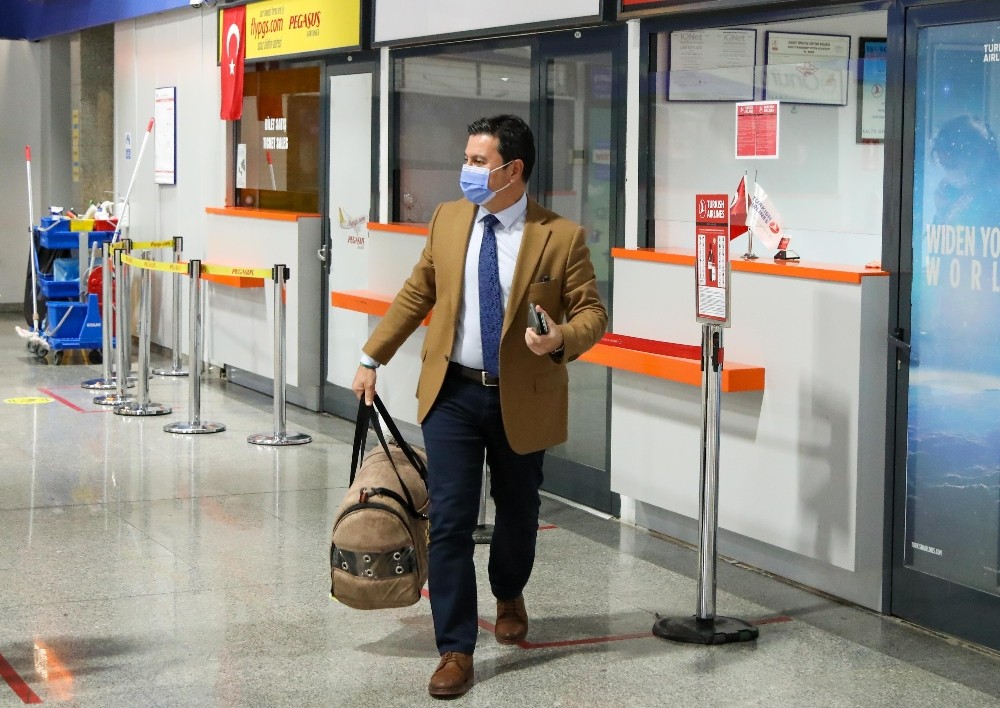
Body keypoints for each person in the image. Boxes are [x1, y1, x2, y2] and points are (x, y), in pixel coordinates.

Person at [351, 114, 607, 699]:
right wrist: (372, 356)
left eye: (476, 161)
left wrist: (559, 339)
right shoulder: (449, 219)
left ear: (512, 170)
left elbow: (592, 313)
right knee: (450, 521)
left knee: (518, 513)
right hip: (453, 393)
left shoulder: (560, 236)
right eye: (465, 159)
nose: (465, 170)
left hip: (523, 396)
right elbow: (418, 292)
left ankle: (509, 591)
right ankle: (455, 649)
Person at [931, 115, 1000, 226]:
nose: (947, 175)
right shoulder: (960, 198)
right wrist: (941, 212)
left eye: (951, 165)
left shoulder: (990, 203)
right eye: (942, 165)